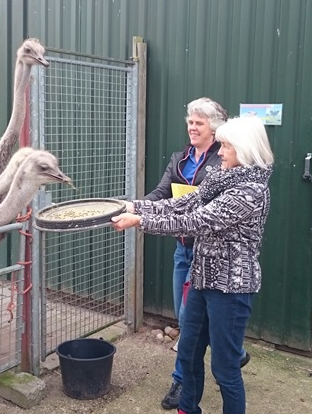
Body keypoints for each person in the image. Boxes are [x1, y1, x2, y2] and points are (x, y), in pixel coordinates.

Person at [112, 115, 274, 414]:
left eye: (226, 146)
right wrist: (133, 205)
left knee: (225, 369)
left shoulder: (251, 191)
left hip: (231, 289)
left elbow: (197, 221)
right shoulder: (219, 178)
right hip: (201, 280)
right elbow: (183, 204)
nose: (221, 152)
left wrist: (140, 221)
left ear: (245, 149)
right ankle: (187, 409)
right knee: (187, 354)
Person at [139, 97, 229, 410]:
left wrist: (141, 217)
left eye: (198, 123)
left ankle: (181, 381)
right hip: (183, 249)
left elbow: (209, 206)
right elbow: (161, 194)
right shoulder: (180, 159)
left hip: (208, 252)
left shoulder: (224, 161)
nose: (192, 127)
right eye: (190, 122)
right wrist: (136, 206)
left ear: (213, 128)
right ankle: (232, 350)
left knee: (190, 325)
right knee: (183, 314)